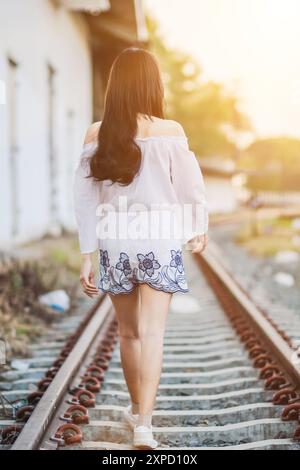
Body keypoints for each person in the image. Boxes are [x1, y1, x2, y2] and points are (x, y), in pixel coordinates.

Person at [73, 47, 208, 449]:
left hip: (116, 242)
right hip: (159, 241)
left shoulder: (98, 133)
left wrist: (87, 253)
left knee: (129, 334)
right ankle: (144, 425)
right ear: (153, 84)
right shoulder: (169, 131)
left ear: (115, 86)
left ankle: (136, 411)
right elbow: (190, 186)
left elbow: (84, 197)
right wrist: (198, 226)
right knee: (152, 334)